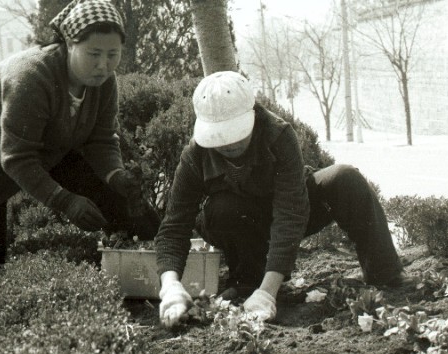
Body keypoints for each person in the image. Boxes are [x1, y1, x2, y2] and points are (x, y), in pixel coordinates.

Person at [0, 0, 159, 354]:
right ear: (68, 44)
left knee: (118, 201)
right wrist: (65, 201)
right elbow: (16, 158)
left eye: (113, 55)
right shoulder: (31, 76)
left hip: (47, 145)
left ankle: (150, 281)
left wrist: (114, 175)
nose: (104, 65)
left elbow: (102, 139)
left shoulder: (103, 83)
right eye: (93, 54)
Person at [154, 71, 408, 327]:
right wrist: (171, 287)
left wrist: (269, 292)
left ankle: (385, 273)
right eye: (219, 135)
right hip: (238, 218)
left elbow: (290, 215)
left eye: (235, 132)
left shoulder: (278, 135)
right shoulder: (195, 155)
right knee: (223, 209)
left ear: (251, 116)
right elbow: (174, 226)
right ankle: (247, 283)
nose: (228, 143)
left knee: (345, 178)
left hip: (291, 206)